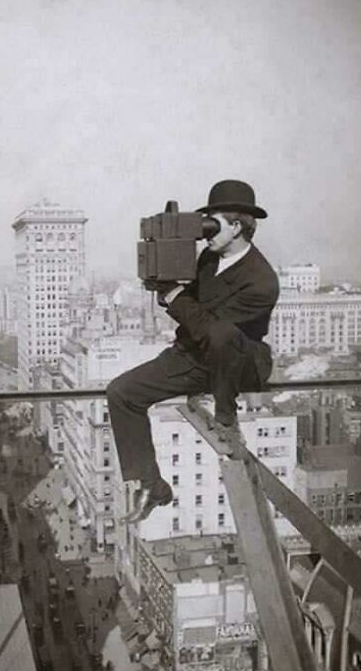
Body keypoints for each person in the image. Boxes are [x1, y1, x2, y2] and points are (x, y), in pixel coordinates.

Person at [106, 179, 279, 522]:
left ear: (237, 226)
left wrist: (173, 294)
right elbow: (194, 319)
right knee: (122, 392)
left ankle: (226, 418)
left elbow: (214, 332)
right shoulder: (208, 260)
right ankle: (150, 484)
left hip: (237, 362)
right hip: (197, 353)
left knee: (223, 337)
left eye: (213, 223)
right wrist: (163, 282)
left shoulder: (261, 280)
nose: (206, 231)